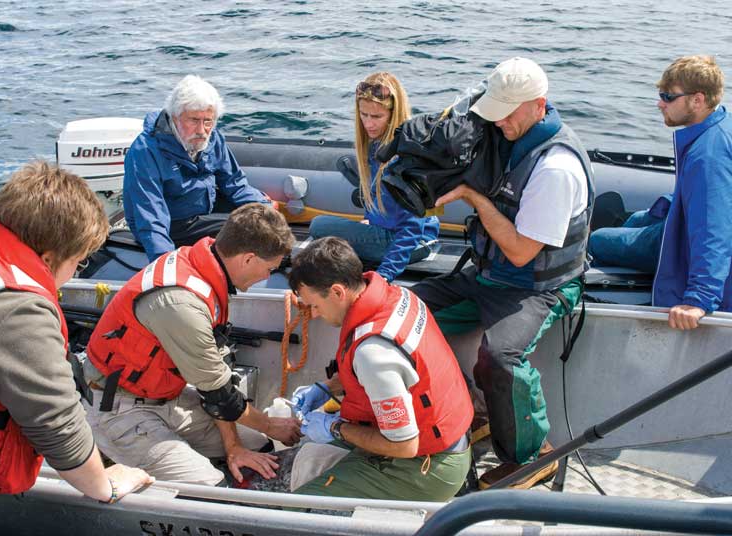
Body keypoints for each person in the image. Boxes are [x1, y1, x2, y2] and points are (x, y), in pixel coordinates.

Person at [0, 161, 153, 536]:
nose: (75, 272)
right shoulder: (16, 307)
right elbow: (56, 424)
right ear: (50, 257)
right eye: (78, 261)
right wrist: (105, 483)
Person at [411, 57, 594, 489]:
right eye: (496, 110)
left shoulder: (556, 169)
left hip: (538, 287)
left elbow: (519, 252)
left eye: (509, 112)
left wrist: (474, 198)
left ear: (539, 106)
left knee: (499, 359)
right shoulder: (507, 136)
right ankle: (473, 411)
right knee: (409, 313)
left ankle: (531, 457)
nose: (500, 121)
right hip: (489, 275)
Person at [82, 203, 302, 487]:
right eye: (269, 269)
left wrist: (234, 447)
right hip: (120, 409)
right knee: (212, 488)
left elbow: (215, 384)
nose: (267, 278)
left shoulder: (205, 266)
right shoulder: (182, 302)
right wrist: (272, 425)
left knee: (260, 447)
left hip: (168, 397)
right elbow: (219, 395)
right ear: (248, 259)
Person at [286, 237, 473, 501]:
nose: (313, 314)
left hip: (427, 466)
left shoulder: (373, 355)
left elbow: (404, 445)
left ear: (338, 292)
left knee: (297, 509)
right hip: (447, 438)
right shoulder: (400, 296)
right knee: (311, 452)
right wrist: (327, 388)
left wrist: (334, 428)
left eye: (315, 305)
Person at [592, 56, 732, 329]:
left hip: (684, 243)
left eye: (668, 97)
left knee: (598, 239)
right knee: (635, 220)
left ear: (697, 100)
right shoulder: (718, 126)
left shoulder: (707, 157)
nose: (660, 103)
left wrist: (699, 298)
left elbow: (713, 228)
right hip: (676, 223)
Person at [124, 74, 274, 262]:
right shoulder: (145, 151)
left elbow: (234, 182)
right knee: (245, 228)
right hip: (171, 223)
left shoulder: (213, 139)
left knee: (258, 215)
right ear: (175, 117)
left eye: (208, 121)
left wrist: (264, 208)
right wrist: (166, 264)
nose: (202, 130)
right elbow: (151, 215)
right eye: (194, 120)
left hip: (202, 209)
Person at [308, 72, 440, 282]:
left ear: (393, 114)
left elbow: (412, 229)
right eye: (364, 115)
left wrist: (384, 275)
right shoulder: (374, 147)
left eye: (377, 117)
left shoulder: (406, 156)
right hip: (386, 230)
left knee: (319, 225)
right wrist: (370, 221)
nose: (368, 123)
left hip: (415, 243)